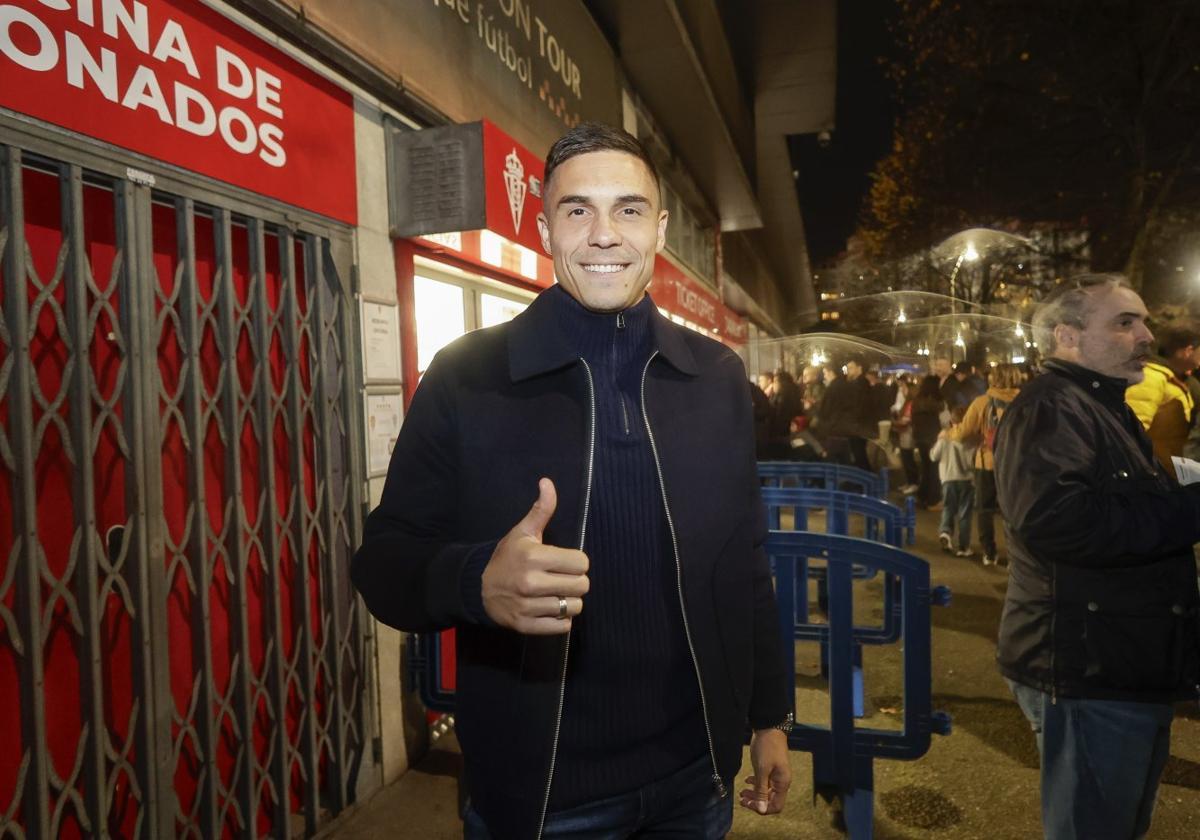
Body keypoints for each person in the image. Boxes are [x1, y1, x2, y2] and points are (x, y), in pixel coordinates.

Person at [350, 123, 792, 840]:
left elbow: (744, 566)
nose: (604, 234)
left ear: (660, 228)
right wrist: (477, 582)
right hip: (543, 800)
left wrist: (768, 718)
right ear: (545, 227)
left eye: (628, 209)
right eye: (577, 210)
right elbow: (382, 562)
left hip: (694, 782)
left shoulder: (715, 379)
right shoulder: (467, 375)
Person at [994, 273, 1200, 840]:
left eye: (1145, 321)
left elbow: (1122, 495)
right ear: (1067, 336)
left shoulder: (1097, 403)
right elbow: (1063, 523)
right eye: (1124, 322)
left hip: (1117, 663)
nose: (1145, 336)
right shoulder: (1053, 408)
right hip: (1088, 669)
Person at [949, 362, 1022, 566]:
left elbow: (963, 432)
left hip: (988, 463)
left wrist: (950, 432)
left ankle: (989, 552)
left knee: (985, 509)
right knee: (1014, 511)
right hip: (1016, 465)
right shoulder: (1025, 402)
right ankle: (1016, 555)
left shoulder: (982, 403)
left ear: (993, 379)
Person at [1124, 325, 1199, 472]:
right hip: (1152, 474)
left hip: (1168, 471)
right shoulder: (1151, 378)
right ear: (1188, 351)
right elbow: (1129, 433)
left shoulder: (1177, 380)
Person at [930, 406, 975, 557]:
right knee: (964, 513)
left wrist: (938, 440)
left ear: (951, 420)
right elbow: (970, 462)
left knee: (948, 507)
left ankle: (945, 532)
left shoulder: (945, 437)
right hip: (966, 480)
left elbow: (934, 456)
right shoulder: (968, 438)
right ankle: (963, 547)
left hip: (947, 479)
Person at [911, 375, 945, 508]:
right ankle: (934, 500)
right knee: (933, 469)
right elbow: (942, 410)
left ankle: (922, 496)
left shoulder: (917, 400)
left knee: (926, 468)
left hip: (920, 438)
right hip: (931, 438)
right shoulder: (934, 402)